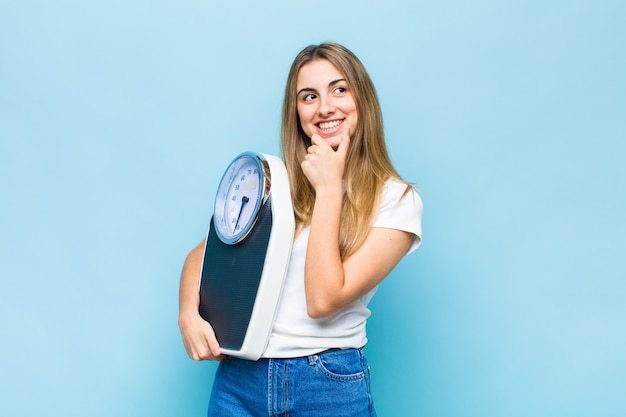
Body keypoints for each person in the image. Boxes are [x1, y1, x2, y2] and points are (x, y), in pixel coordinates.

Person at [178, 42, 423, 417]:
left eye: (339, 89)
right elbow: (205, 253)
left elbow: (323, 300)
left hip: (327, 384)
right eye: (309, 96)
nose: (325, 107)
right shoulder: (277, 184)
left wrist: (329, 189)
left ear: (363, 99)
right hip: (239, 382)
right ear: (296, 113)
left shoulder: (397, 200)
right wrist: (188, 314)